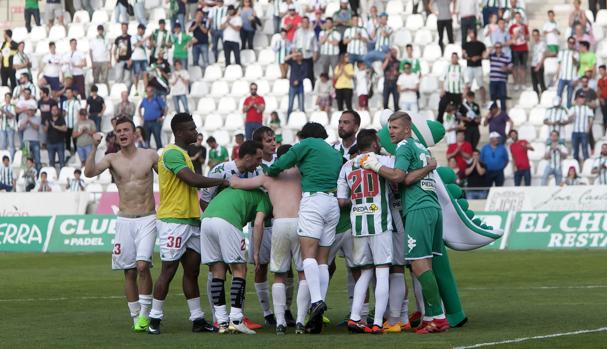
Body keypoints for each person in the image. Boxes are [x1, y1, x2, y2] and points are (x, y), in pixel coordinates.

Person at [359, 111, 449, 334]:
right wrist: (428, 167)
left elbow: (401, 176)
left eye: (396, 128)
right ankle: (432, 316)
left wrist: (375, 166)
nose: (391, 131)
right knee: (425, 263)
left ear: (407, 129)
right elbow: (412, 174)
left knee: (418, 264)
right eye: (389, 128)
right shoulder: (422, 148)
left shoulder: (404, 147)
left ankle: (438, 317)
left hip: (418, 207)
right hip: (432, 207)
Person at [147, 113, 228, 334]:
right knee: (168, 270)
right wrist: (222, 181)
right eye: (191, 129)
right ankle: (154, 319)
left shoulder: (183, 154)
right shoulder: (172, 153)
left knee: (192, 272)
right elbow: (191, 180)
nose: (196, 132)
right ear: (180, 132)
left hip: (191, 220)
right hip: (174, 220)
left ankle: (198, 319)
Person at [265, 122, 342, 333]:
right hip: (332, 203)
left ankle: (316, 301)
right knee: (323, 260)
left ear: (305, 135)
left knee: (308, 256)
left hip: (313, 201)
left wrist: (272, 171)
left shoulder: (306, 144)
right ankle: (319, 306)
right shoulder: (334, 152)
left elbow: (280, 164)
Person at [83, 118, 157, 332]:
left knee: (143, 266)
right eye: (119, 131)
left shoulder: (150, 155)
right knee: (129, 271)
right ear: (115, 135)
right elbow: (89, 173)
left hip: (147, 218)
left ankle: (145, 314)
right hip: (124, 219)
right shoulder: (111, 158)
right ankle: (136, 317)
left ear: (135, 133)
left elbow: (171, 177)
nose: (123, 133)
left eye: (126, 130)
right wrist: (94, 147)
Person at [228, 144, 301, 334]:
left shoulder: (269, 177)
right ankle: (301, 320)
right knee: (302, 273)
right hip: (300, 223)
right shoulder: (302, 174)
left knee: (279, 275)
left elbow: (236, 183)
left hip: (279, 225)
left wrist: (231, 172)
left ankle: (279, 323)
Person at [334, 129, 392, 334]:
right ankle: (377, 322)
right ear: (375, 143)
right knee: (383, 271)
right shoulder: (384, 160)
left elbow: (341, 200)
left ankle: (355, 317)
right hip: (380, 222)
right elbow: (398, 176)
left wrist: (359, 203)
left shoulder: (347, 166)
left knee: (365, 272)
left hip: (357, 224)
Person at [200, 183, 271, 335]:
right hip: (227, 221)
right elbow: (258, 223)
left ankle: (222, 322)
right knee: (240, 269)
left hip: (206, 220)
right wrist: (256, 253)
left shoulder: (242, 191)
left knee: (217, 271)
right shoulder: (265, 198)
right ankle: (237, 320)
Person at [16, 88, 40, 171]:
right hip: (26, 141)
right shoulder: (23, 117)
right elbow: (20, 129)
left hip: (35, 140)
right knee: (26, 158)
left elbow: (37, 127)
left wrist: (30, 121)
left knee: (37, 159)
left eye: (32, 110)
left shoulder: (37, 118)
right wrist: (26, 121)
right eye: (29, 110)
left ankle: (37, 173)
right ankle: (25, 173)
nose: (30, 112)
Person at [438, 53, 464, 124]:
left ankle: (457, 126)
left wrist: (464, 93)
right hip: (448, 92)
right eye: (453, 57)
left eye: (456, 57)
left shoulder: (461, 68)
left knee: (458, 110)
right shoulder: (447, 67)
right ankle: (439, 123)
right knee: (442, 106)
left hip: (458, 93)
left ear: (458, 58)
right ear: (451, 58)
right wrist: (442, 89)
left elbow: (466, 81)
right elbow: (442, 79)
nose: (454, 59)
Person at [462, 30, 487, 104]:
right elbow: (463, 55)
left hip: (478, 67)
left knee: (481, 85)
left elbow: (484, 55)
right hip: (469, 66)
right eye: (469, 34)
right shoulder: (466, 44)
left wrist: (478, 57)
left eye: (472, 33)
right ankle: (467, 101)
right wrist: (470, 58)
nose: (471, 35)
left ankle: (483, 101)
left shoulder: (481, 44)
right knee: (468, 85)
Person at [569, 93, 594, 163]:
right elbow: (568, 119)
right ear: (577, 99)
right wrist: (571, 117)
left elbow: (591, 119)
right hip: (575, 131)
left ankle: (586, 164)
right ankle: (575, 165)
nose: (581, 99)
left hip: (583, 131)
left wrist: (588, 129)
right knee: (575, 150)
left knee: (585, 149)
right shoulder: (573, 108)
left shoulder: (587, 108)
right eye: (580, 98)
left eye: (583, 98)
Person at [293, 16, 318, 86]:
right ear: (301, 23)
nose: (305, 23)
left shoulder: (312, 33)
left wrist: (315, 55)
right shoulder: (297, 32)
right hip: (299, 56)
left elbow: (315, 45)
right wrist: (294, 53)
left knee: (309, 73)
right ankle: (299, 86)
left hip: (308, 55)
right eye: (303, 22)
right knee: (299, 72)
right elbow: (294, 44)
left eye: (306, 22)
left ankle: (311, 87)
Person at [508, 12, 529, 91]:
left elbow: (528, 38)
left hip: (524, 48)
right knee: (515, 66)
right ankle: (516, 83)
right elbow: (510, 38)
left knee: (523, 66)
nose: (518, 18)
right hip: (515, 48)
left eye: (519, 17)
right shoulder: (512, 27)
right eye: (516, 17)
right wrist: (516, 34)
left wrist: (523, 33)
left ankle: (523, 83)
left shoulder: (524, 26)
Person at [555, 37, 578, 108]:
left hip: (571, 77)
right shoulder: (562, 52)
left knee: (569, 96)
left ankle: (568, 110)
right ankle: (557, 109)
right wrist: (557, 75)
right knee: (558, 94)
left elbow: (576, 65)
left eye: (573, 43)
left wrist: (573, 57)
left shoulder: (576, 53)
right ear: (567, 43)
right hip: (562, 77)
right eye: (570, 42)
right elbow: (559, 64)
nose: (571, 44)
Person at [488, 43, 511, 111]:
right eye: (496, 47)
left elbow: (511, 69)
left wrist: (506, 68)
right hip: (493, 80)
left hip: (501, 80)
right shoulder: (492, 56)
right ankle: (494, 113)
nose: (498, 49)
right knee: (493, 97)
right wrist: (492, 47)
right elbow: (485, 55)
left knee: (502, 97)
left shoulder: (506, 57)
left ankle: (503, 113)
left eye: (499, 47)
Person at [286, 51, 308, 118]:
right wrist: (293, 54)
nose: (298, 56)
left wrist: (298, 80)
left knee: (301, 105)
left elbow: (305, 74)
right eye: (297, 55)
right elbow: (285, 59)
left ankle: (303, 120)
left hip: (300, 86)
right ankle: (288, 119)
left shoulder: (305, 64)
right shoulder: (293, 62)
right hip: (292, 86)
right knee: (290, 105)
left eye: (300, 55)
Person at [45, 104, 67, 170]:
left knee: (62, 161)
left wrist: (55, 126)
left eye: (55, 110)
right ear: (51, 111)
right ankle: (52, 175)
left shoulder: (61, 119)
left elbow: (65, 129)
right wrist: (47, 126)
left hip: (60, 142)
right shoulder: (48, 119)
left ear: (58, 110)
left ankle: (62, 176)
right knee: (51, 162)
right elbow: (45, 130)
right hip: (50, 143)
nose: (54, 111)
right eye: (53, 110)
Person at [62, 87, 81, 155]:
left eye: (69, 92)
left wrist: (78, 124)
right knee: (67, 141)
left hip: (74, 125)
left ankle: (77, 155)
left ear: (72, 93)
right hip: (66, 125)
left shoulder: (76, 102)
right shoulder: (64, 103)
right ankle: (68, 155)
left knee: (75, 141)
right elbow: (63, 113)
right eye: (66, 93)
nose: (68, 94)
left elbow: (79, 113)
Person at [114, 23, 133, 91]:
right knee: (118, 77)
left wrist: (131, 59)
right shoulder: (118, 38)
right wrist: (114, 57)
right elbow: (115, 49)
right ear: (121, 28)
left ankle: (127, 92)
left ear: (127, 28)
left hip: (128, 60)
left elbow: (133, 50)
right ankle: (118, 92)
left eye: (125, 27)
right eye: (123, 27)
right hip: (120, 60)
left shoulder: (131, 38)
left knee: (127, 79)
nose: (124, 29)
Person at [131, 24, 149, 94]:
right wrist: (144, 39)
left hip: (144, 58)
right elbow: (136, 45)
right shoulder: (134, 37)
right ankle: (136, 90)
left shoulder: (144, 38)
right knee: (136, 74)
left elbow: (148, 47)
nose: (144, 31)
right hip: (136, 58)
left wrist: (150, 41)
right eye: (143, 30)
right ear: (139, 29)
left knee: (145, 74)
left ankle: (145, 90)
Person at [530, 29, 547, 97]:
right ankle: (536, 97)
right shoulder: (533, 45)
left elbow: (543, 55)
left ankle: (544, 97)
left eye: (536, 35)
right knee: (534, 84)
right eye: (533, 35)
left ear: (539, 35)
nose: (535, 37)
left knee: (541, 83)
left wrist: (539, 65)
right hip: (533, 65)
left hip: (539, 65)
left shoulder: (542, 44)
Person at [0, 92, 16, 159]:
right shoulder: (2, 106)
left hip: (10, 127)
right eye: (6, 97)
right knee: (3, 144)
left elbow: (11, 116)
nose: (7, 99)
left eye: (8, 97)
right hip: (2, 127)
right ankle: (3, 159)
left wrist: (3, 112)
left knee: (11, 144)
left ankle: (11, 159)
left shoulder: (13, 106)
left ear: (10, 98)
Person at [598, 65, 607, 133]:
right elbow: (599, 90)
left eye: (601, 70)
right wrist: (600, 99)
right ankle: (605, 131)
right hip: (603, 100)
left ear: (605, 70)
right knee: (605, 116)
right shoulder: (600, 80)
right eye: (599, 70)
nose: (600, 72)